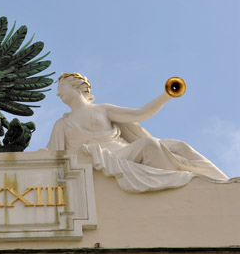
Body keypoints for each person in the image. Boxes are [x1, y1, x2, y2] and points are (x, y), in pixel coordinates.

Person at [47, 73, 231, 192]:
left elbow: (141, 114)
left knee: (179, 146)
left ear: (75, 87)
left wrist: (167, 94)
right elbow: (51, 155)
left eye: (60, 88)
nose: (58, 94)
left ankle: (224, 184)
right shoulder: (62, 124)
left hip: (125, 151)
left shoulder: (102, 109)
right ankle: (179, 186)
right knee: (150, 145)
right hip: (103, 158)